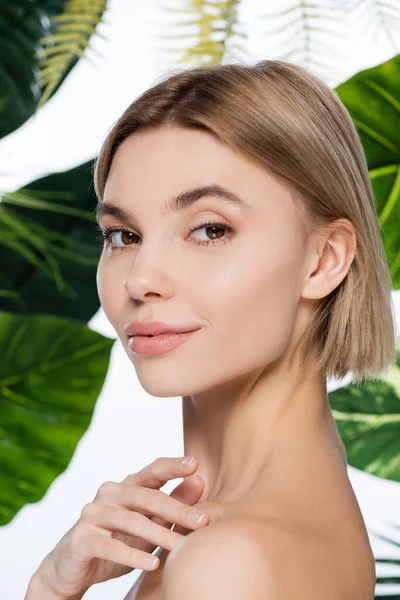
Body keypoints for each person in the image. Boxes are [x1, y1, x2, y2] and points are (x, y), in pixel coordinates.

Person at [26, 59, 395, 600]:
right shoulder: (279, 518)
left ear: (323, 261)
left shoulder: (228, 562)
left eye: (210, 229)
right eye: (124, 235)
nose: (142, 279)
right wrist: (51, 590)